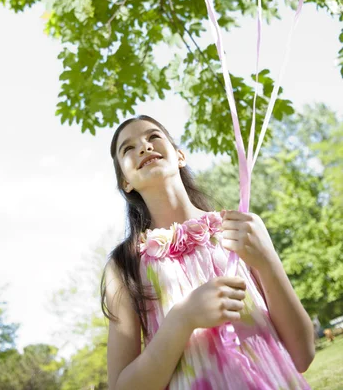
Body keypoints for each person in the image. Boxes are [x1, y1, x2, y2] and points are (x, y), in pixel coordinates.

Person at [101, 115, 315, 390]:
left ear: (180, 156)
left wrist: (268, 261)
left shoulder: (239, 228)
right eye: (128, 149)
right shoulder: (124, 266)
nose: (144, 147)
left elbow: (303, 354)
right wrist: (183, 317)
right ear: (125, 182)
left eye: (154, 137)